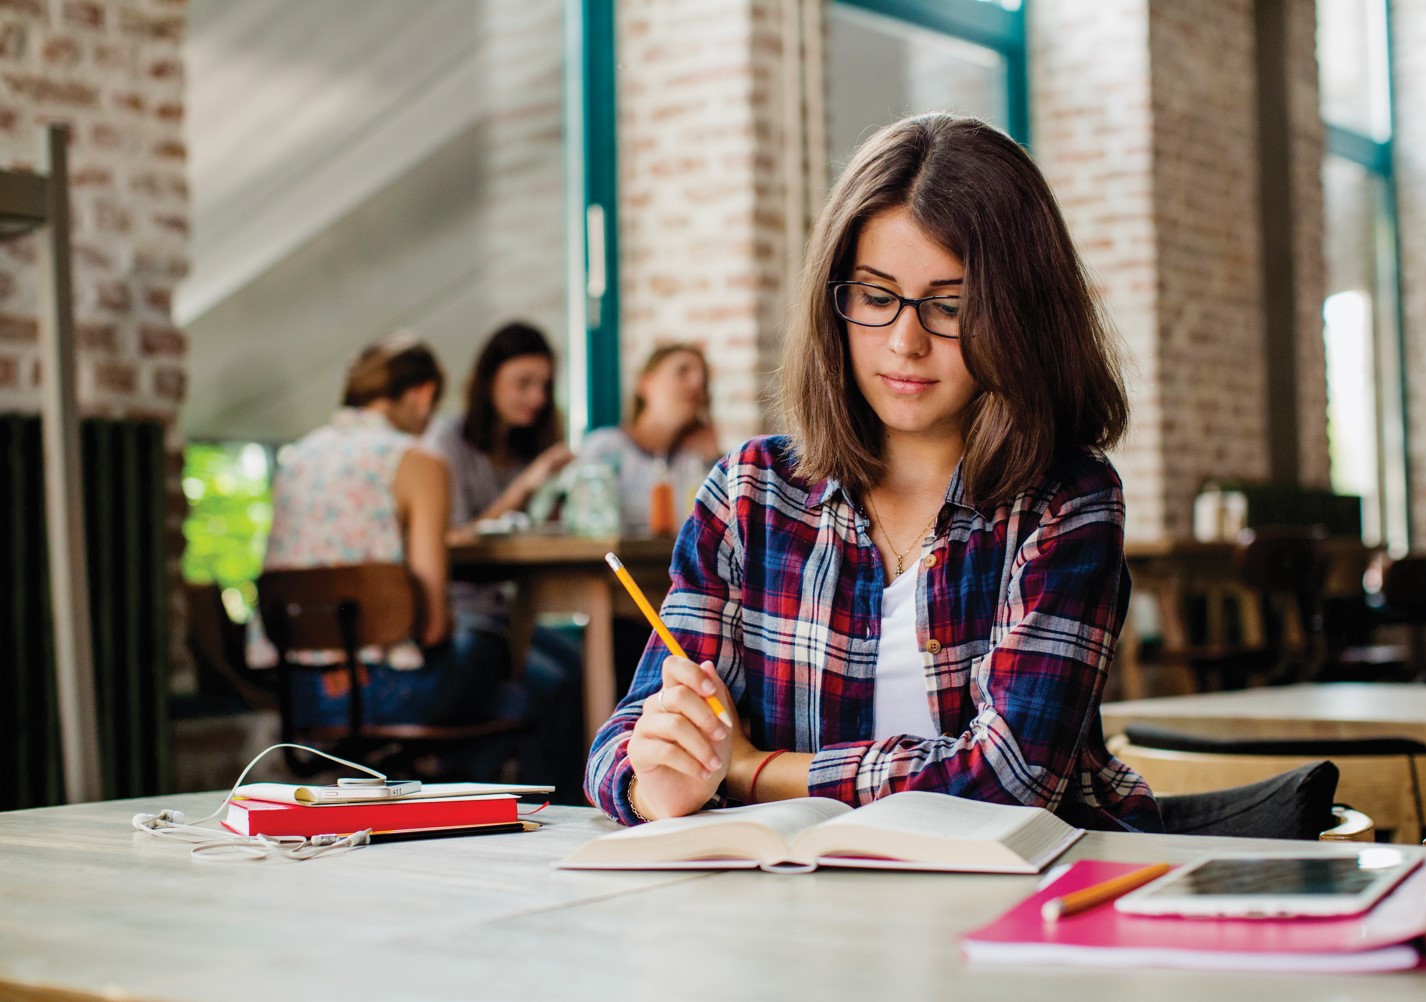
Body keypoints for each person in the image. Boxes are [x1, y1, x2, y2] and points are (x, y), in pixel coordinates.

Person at [585, 113, 1161, 833]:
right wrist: (657, 783)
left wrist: (749, 769)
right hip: (797, 904)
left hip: (1023, 905)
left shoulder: (1066, 500)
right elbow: (623, 743)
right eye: (876, 296)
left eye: (950, 306)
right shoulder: (750, 494)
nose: (904, 341)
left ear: (1020, 316)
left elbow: (1012, 780)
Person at [257, 333, 518, 765]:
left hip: (298, 696)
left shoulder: (296, 458)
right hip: (389, 694)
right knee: (505, 665)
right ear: (423, 395)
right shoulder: (418, 461)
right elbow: (434, 626)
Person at [421, 321, 583, 798]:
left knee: (577, 667)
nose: (535, 397)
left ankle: (563, 804)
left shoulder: (521, 447)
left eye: (544, 385)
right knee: (548, 682)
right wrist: (523, 488)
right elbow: (448, 539)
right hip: (460, 611)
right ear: (489, 380)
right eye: (523, 383)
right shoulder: (445, 441)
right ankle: (526, 803)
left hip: (509, 610)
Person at [576, 343, 722, 534]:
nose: (696, 384)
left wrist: (714, 462)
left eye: (703, 380)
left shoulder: (699, 459)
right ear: (645, 383)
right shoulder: (605, 448)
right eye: (682, 372)